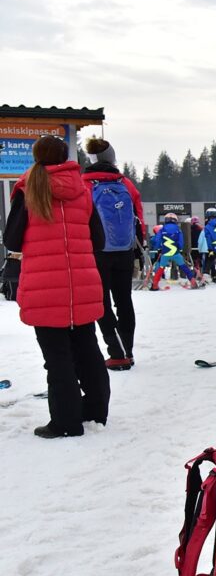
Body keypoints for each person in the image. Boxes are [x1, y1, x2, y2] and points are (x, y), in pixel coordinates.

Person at [2, 135, 110, 438]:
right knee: (88, 349)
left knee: (57, 357)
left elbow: (11, 239)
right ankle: (95, 412)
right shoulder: (83, 190)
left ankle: (65, 422)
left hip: (44, 286)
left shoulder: (28, 189)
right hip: (83, 282)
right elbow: (98, 240)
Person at [81, 137, 145, 371]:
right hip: (125, 250)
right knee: (124, 300)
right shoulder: (126, 184)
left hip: (96, 252)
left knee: (102, 302)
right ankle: (127, 349)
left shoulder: (84, 184)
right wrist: (138, 247)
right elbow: (138, 218)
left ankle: (116, 352)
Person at [150, 213, 200, 290]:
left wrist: (158, 247)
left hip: (165, 253)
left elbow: (157, 240)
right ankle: (193, 282)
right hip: (175, 252)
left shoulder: (162, 229)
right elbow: (181, 241)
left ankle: (155, 285)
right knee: (184, 267)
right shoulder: (178, 229)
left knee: (161, 268)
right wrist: (180, 248)